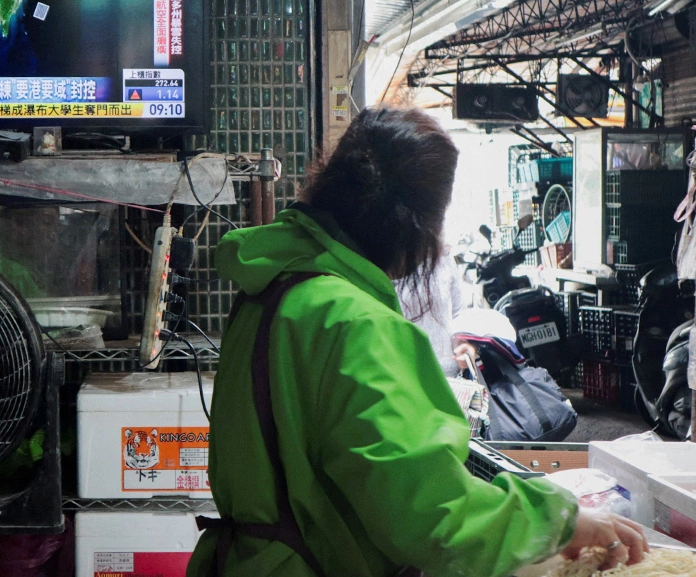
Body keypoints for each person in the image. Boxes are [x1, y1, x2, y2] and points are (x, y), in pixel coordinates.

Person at [188, 108, 646, 577]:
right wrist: (560, 521)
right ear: (413, 224)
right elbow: (436, 518)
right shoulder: (354, 322)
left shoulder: (271, 288)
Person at [396, 245, 466, 377]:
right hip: (398, 382)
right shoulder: (369, 261)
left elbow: (459, 312)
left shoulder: (441, 255)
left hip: (449, 379)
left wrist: (465, 344)